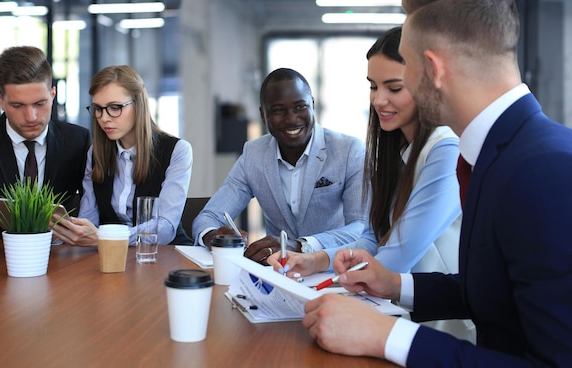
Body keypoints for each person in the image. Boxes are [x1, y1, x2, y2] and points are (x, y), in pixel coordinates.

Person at [302, 0, 572, 366]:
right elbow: (495, 290)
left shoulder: (544, 169)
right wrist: (396, 285)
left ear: (433, 68)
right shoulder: (500, 153)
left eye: (407, 67)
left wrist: (387, 336)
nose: (381, 98)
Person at [268, 27, 474, 341]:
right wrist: (315, 260)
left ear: (428, 83)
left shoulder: (446, 150)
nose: (379, 100)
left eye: (394, 88)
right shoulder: (399, 151)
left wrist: (332, 279)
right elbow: (374, 235)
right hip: (403, 317)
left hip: (446, 328)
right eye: (373, 86)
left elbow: (396, 254)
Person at [192, 68, 366, 264]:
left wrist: (301, 245)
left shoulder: (349, 150)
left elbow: (361, 227)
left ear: (313, 105)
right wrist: (213, 235)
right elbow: (207, 217)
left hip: (332, 271)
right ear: (263, 114)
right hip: (276, 274)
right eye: (278, 110)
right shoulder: (253, 154)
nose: (292, 119)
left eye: (300, 107)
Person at [0, 46, 91, 259]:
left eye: (40, 103)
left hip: (62, 262)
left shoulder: (78, 140)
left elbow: (98, 208)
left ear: (53, 94)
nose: (31, 116)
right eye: (17, 105)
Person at [52, 65, 193, 247]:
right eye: (98, 109)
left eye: (115, 107)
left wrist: (107, 238)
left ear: (138, 105)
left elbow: (165, 228)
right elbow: (90, 220)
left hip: (166, 255)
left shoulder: (178, 151)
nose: (104, 118)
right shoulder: (95, 154)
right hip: (114, 257)